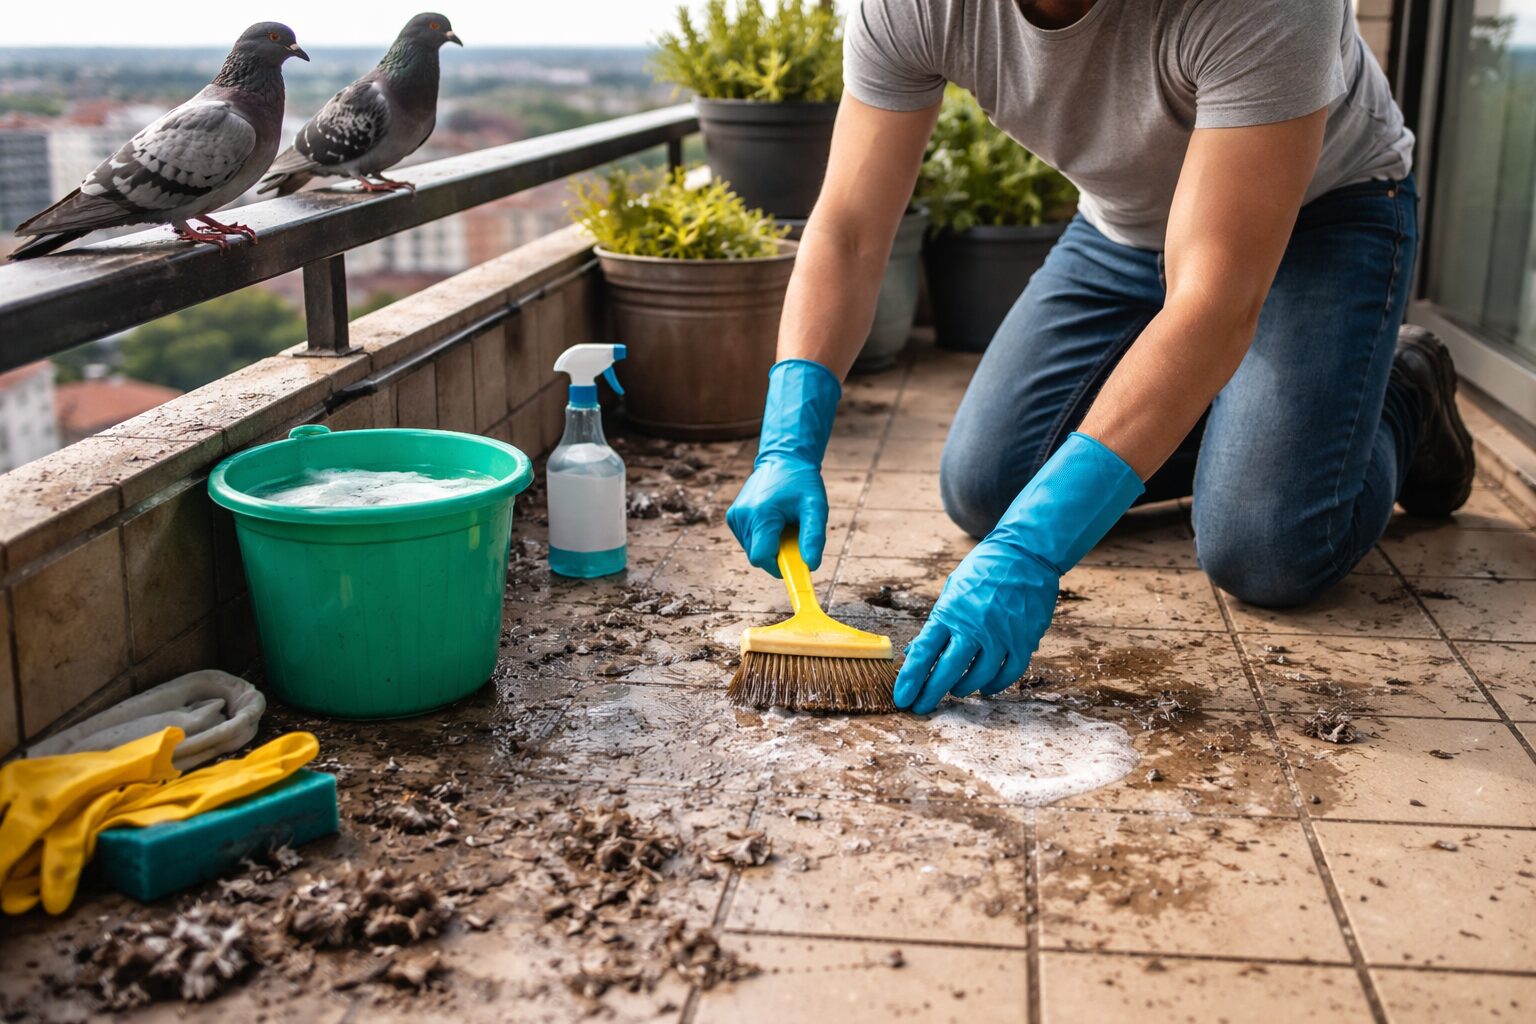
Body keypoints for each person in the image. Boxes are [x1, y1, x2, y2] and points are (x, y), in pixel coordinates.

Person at [725, 0, 1475, 715]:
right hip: (1124, 228)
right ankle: (1257, 414)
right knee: (988, 488)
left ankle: (1403, 389)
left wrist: (1035, 550)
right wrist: (788, 440)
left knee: (1267, 545)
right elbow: (851, 230)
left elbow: (1213, 304)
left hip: (1323, 217)